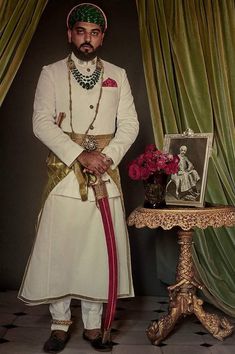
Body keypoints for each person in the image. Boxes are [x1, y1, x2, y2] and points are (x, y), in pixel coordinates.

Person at [18, 3, 139, 353]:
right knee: (60, 248)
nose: (88, 38)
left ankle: (91, 324)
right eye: (82, 31)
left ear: (102, 38)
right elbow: (40, 121)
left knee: (96, 250)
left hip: (105, 172)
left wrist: (106, 157)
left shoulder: (119, 73)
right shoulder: (51, 72)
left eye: (95, 33)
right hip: (64, 174)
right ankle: (59, 324)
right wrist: (79, 155)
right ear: (70, 33)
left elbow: (129, 124)